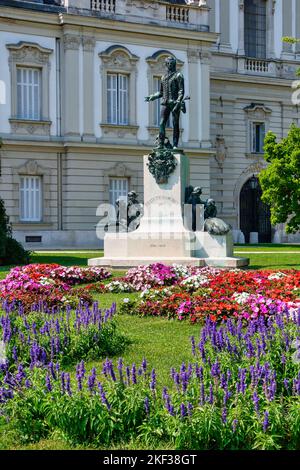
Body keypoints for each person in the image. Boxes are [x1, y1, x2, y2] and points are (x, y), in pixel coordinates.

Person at [145, 56, 185, 149]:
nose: (170, 65)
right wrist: (152, 96)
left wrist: (178, 101)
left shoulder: (178, 75)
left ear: (174, 64)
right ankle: (161, 143)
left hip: (175, 103)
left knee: (175, 124)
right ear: (166, 65)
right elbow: (161, 92)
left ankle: (175, 145)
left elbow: (181, 91)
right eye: (169, 63)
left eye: (172, 63)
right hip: (166, 103)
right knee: (162, 123)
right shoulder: (163, 77)